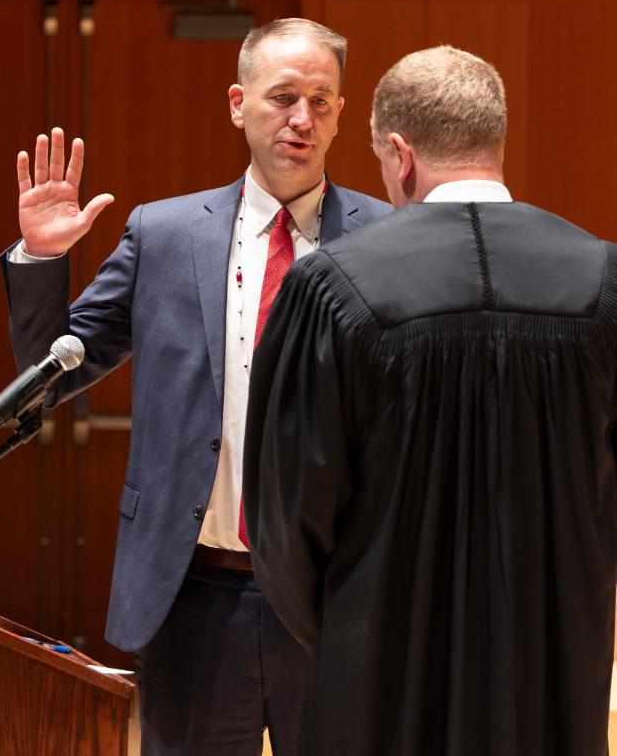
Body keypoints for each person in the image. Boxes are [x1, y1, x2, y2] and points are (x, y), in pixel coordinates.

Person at [0, 18, 392, 755]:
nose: (302, 118)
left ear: (341, 114)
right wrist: (41, 259)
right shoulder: (165, 234)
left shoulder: (388, 238)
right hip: (195, 595)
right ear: (239, 104)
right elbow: (48, 378)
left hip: (338, 597)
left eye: (321, 101)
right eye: (282, 97)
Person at [242, 45, 617, 756]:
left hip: (382, 681)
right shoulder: (602, 279)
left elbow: (285, 520)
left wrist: (354, 631)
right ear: (494, 140)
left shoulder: (332, 286)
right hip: (552, 672)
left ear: (401, 154)